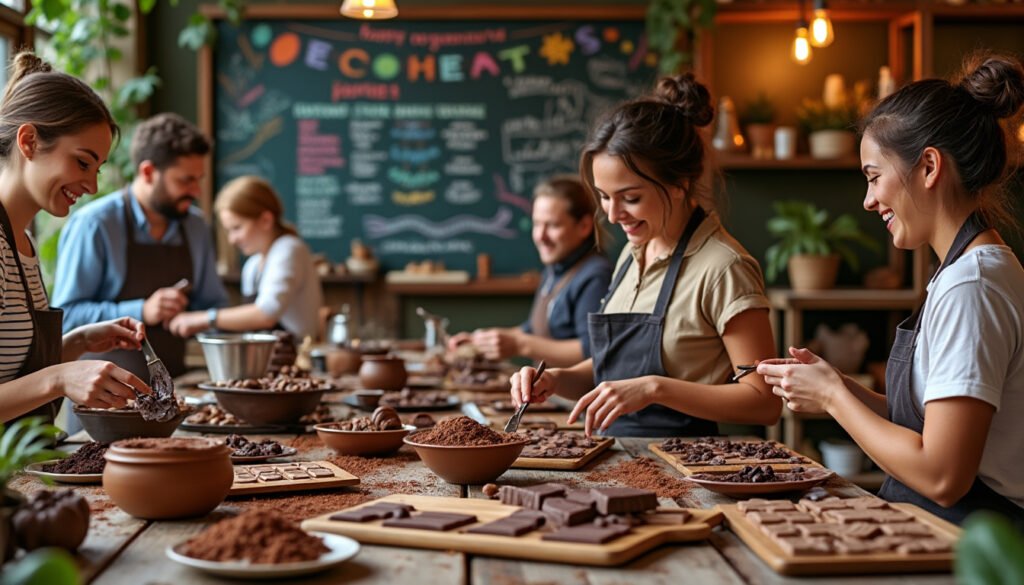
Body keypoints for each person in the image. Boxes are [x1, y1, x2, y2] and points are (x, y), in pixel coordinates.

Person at [757, 53, 1024, 527]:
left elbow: (943, 475)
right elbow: (929, 421)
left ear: (928, 167)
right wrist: (835, 384)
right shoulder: (962, 272)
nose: (868, 199)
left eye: (874, 177)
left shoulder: (973, 287)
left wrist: (833, 401)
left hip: (973, 543)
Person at [510, 74, 779, 437]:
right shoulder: (634, 250)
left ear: (680, 184)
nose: (612, 213)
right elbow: (614, 371)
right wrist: (556, 380)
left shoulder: (724, 267)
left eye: (630, 198)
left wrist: (656, 389)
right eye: (604, 196)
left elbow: (764, 402)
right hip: (619, 461)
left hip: (689, 473)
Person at [0, 52, 153, 422]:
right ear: (30, 141)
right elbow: (42, 381)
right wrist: (59, 377)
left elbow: (15, 374)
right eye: (83, 163)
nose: (92, 185)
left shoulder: (22, 242)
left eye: (97, 169)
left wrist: (79, 343)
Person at [53, 112, 228, 380]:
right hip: (101, 401)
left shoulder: (196, 227)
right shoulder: (95, 225)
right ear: (148, 172)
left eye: (199, 179)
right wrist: (142, 310)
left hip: (174, 393)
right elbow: (68, 317)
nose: (197, 191)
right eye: (185, 180)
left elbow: (214, 305)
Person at [448, 176, 612, 367]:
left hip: (574, 396)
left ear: (584, 226)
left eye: (552, 225)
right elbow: (533, 329)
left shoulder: (596, 275)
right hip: (548, 390)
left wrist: (520, 345)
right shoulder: (555, 268)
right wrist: (482, 341)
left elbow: (591, 350)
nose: (540, 236)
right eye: (536, 224)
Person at [167, 175, 323, 340]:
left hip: (298, 359)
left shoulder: (289, 249)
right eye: (229, 231)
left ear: (265, 220)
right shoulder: (252, 266)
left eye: (237, 228)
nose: (232, 240)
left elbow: (266, 314)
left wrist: (203, 319)